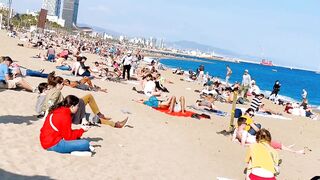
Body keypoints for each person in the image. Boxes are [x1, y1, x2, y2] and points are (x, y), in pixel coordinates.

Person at [233, 118, 304, 154]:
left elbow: (234, 140)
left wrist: (237, 141)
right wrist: (254, 144)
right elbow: (243, 145)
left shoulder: (236, 131)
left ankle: (286, 148)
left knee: (276, 145)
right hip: (259, 141)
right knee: (277, 144)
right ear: (243, 124)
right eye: (246, 124)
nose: (247, 125)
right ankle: (295, 152)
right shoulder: (244, 132)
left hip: (258, 140)